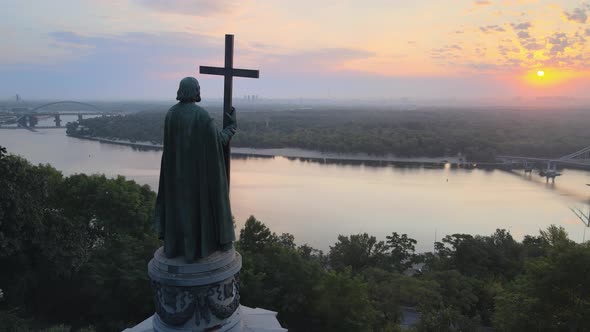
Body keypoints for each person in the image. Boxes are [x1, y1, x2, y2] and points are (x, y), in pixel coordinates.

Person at [154, 77, 236, 262]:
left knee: (180, 211)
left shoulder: (170, 114)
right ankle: (197, 250)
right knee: (196, 211)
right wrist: (232, 127)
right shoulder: (202, 116)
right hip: (197, 179)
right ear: (195, 91)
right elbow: (220, 141)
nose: (199, 91)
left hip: (175, 178)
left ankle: (176, 247)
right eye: (198, 88)